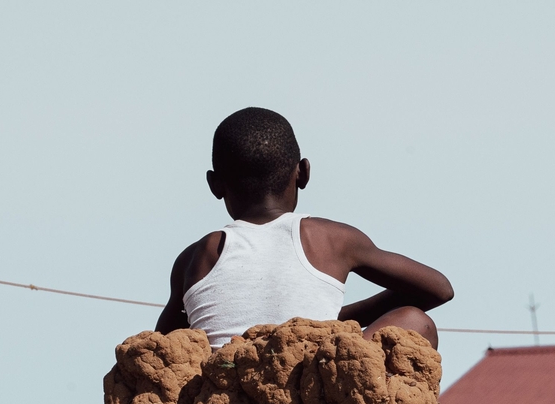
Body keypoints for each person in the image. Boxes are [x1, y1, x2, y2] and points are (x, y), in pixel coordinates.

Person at [156, 107, 454, 349]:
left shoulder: (196, 257)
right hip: (316, 389)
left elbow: (161, 352)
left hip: (228, 401)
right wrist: (336, 322)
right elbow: (439, 289)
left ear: (214, 185)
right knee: (416, 321)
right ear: (303, 173)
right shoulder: (329, 239)